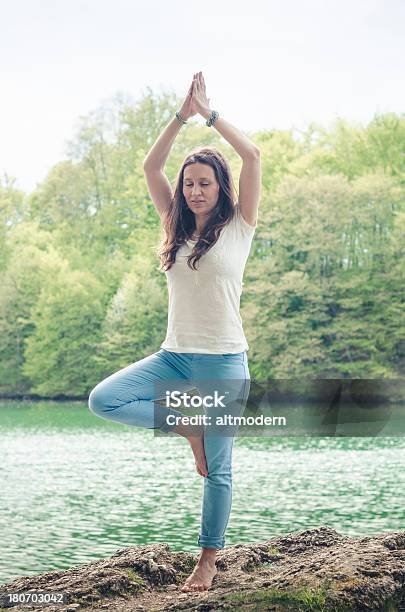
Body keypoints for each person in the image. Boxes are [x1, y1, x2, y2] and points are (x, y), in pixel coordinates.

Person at [88, 71, 261, 593]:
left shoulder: (239, 227)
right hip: (174, 357)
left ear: (219, 186)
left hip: (223, 362)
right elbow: (149, 166)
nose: (194, 189)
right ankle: (187, 426)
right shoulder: (175, 225)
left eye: (204, 182)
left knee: (218, 472)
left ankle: (207, 561)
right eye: (189, 183)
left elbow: (252, 155)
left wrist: (209, 116)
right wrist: (178, 117)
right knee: (104, 399)